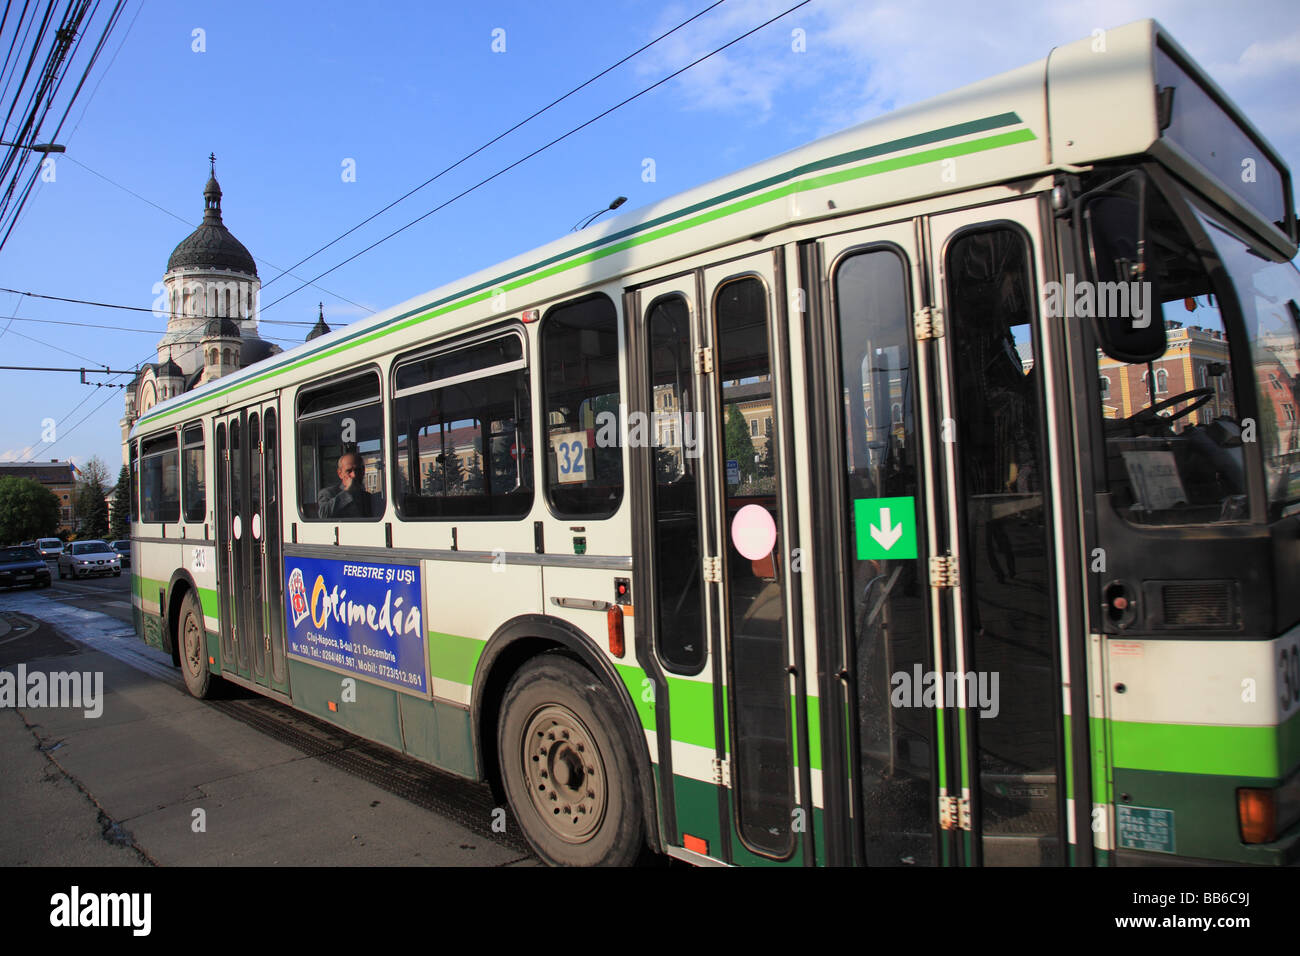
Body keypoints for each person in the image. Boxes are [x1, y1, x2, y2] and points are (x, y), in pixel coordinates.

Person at [318, 452, 374, 519]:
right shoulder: (328, 493)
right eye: (349, 471)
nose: (354, 475)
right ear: (340, 473)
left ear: (363, 471)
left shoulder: (367, 497)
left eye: (358, 470)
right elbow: (323, 515)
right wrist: (347, 491)